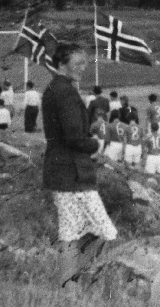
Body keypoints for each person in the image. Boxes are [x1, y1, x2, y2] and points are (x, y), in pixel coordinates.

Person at [41, 41, 117, 287]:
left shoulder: (55, 88)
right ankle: (83, 281)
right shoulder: (65, 92)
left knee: (72, 232)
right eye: (77, 63)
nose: (83, 68)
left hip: (62, 170)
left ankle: (71, 285)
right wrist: (93, 145)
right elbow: (73, 137)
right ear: (61, 64)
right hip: (72, 172)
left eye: (85, 63)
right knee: (104, 232)